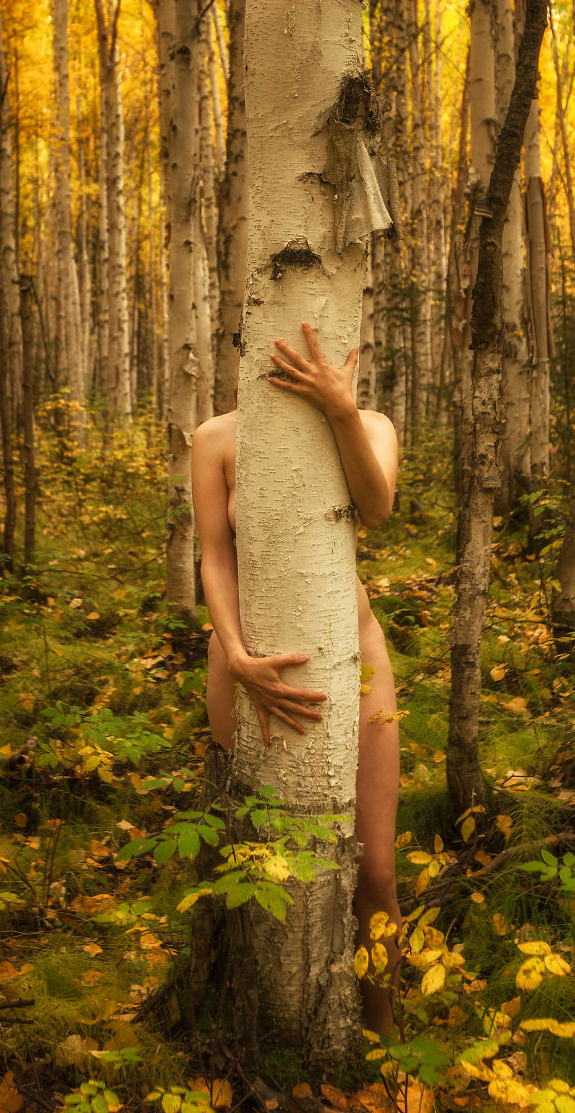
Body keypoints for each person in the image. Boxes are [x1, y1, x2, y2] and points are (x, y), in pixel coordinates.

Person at [191, 322, 402, 1034]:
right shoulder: (216, 439)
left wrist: (341, 411)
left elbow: (377, 509)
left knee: (375, 875)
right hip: (244, 664)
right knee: (260, 862)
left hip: (355, 654)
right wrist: (236, 655)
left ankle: (384, 1043)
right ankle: (262, 1034)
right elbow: (215, 558)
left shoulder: (373, 425)